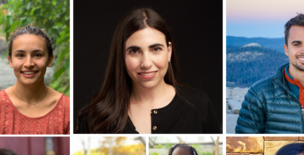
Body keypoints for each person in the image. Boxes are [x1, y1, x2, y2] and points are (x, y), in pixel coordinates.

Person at [74, 8, 219, 135]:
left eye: (156, 49)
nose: (146, 63)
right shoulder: (94, 117)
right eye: (134, 51)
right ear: (121, 56)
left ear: (169, 51)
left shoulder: (199, 105)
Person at [0, 25, 71, 136]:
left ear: (50, 60)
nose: (29, 64)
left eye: (37, 55)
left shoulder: (67, 109)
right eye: (20, 55)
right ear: (10, 60)